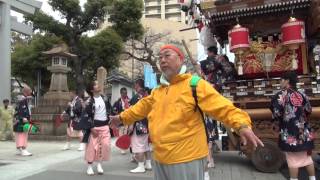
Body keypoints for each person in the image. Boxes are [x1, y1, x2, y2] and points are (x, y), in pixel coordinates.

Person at [110, 44, 264, 180]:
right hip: (160, 157)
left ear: (181, 59)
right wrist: (120, 118)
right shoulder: (157, 91)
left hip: (186, 157)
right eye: (160, 57)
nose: (162, 60)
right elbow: (139, 108)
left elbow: (223, 107)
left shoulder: (195, 85)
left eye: (167, 55)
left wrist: (242, 125)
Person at [270, 71, 316, 180]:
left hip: (290, 133)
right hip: (304, 131)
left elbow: (276, 112)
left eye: (281, 80)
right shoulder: (302, 94)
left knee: (293, 160)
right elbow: (308, 110)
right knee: (307, 159)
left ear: (287, 81)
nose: (280, 82)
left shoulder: (281, 95)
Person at [84, 80, 111, 176]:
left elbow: (109, 111)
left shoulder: (105, 98)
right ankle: (89, 167)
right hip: (94, 127)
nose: (98, 85)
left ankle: (100, 164)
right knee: (91, 148)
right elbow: (86, 116)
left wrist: (110, 121)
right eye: (95, 84)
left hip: (105, 126)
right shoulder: (89, 101)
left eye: (97, 83)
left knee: (105, 145)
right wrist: (91, 128)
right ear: (92, 89)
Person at [129, 79, 152, 173]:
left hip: (138, 124)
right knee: (146, 145)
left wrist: (130, 125)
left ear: (137, 85)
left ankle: (141, 166)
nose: (134, 87)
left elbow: (131, 112)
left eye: (135, 85)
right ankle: (148, 163)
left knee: (138, 145)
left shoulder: (135, 97)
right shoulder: (148, 95)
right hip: (147, 123)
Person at [13, 86, 33, 156]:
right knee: (23, 134)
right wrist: (23, 118)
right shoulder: (23, 99)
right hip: (22, 119)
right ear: (26, 91)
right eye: (30, 91)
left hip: (19, 119)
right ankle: (23, 149)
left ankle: (19, 149)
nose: (31, 92)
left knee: (19, 134)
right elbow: (22, 109)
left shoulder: (21, 98)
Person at [112, 87, 131, 154]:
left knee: (126, 134)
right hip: (120, 121)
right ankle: (122, 148)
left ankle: (127, 146)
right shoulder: (117, 102)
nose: (125, 94)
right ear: (120, 93)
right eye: (123, 93)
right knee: (121, 135)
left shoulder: (130, 101)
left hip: (128, 120)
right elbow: (114, 110)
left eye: (126, 93)